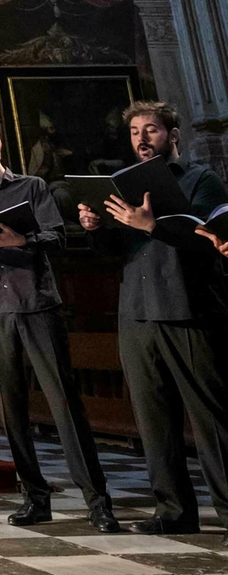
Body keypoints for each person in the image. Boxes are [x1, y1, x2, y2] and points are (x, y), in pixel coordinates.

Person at [0, 118, 119, 532]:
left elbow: (57, 238)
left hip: (37, 302)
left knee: (64, 403)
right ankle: (35, 497)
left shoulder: (31, 187)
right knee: (11, 407)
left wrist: (20, 242)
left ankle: (97, 502)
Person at [78, 101, 228, 536]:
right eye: (135, 133)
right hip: (138, 314)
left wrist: (151, 226)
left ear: (173, 135)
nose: (142, 140)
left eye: (152, 131)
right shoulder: (125, 187)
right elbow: (115, 253)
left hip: (189, 310)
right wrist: (95, 230)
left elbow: (208, 238)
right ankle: (173, 512)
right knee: (154, 420)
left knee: (212, 420)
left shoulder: (203, 179)